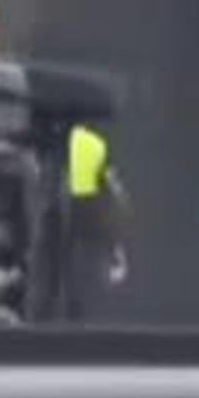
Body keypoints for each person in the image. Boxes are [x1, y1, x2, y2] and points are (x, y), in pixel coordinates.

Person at [62, 123, 128, 321]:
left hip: (68, 204)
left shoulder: (66, 141)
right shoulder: (97, 144)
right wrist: (122, 199)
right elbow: (111, 179)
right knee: (90, 250)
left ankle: (71, 303)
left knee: (71, 255)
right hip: (89, 204)